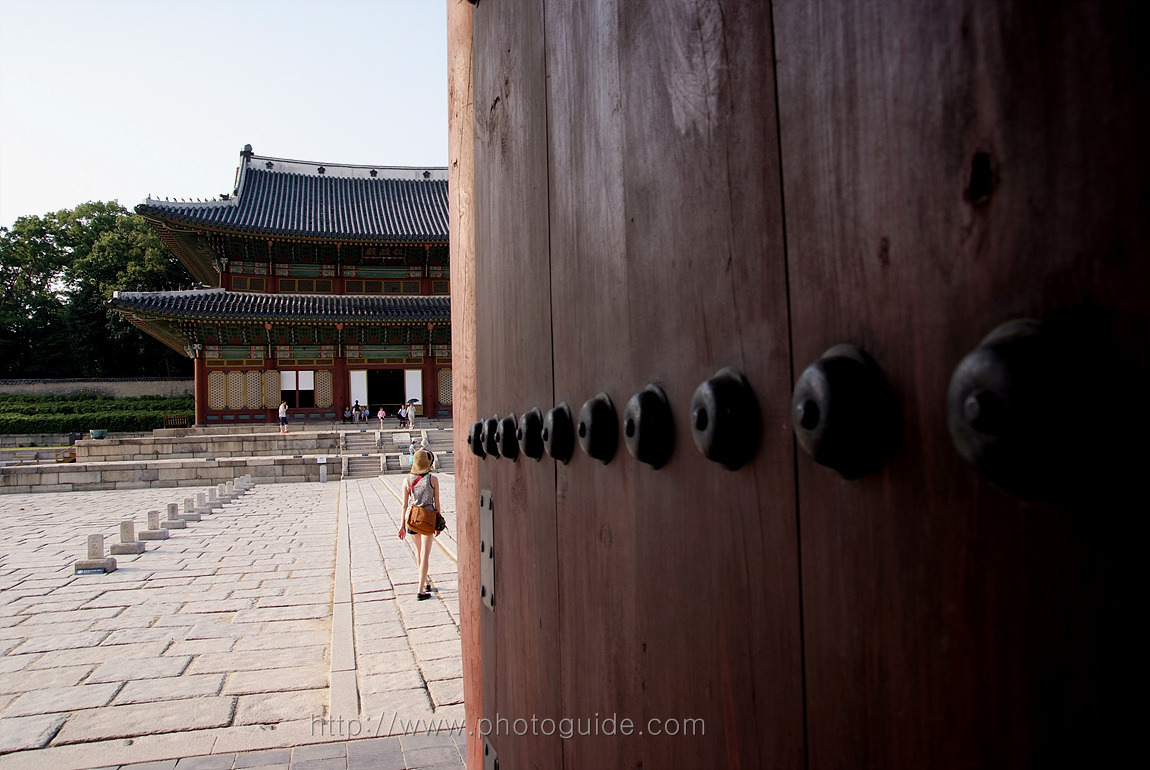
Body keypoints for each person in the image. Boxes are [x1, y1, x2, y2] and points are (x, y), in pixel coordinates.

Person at [398, 449, 441, 600]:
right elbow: (437, 504)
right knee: (425, 555)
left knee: (418, 552)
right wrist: (438, 522)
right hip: (427, 519)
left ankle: (426, 581)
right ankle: (420, 590)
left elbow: (404, 505)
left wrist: (402, 525)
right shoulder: (433, 479)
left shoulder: (407, 480)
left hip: (412, 518)